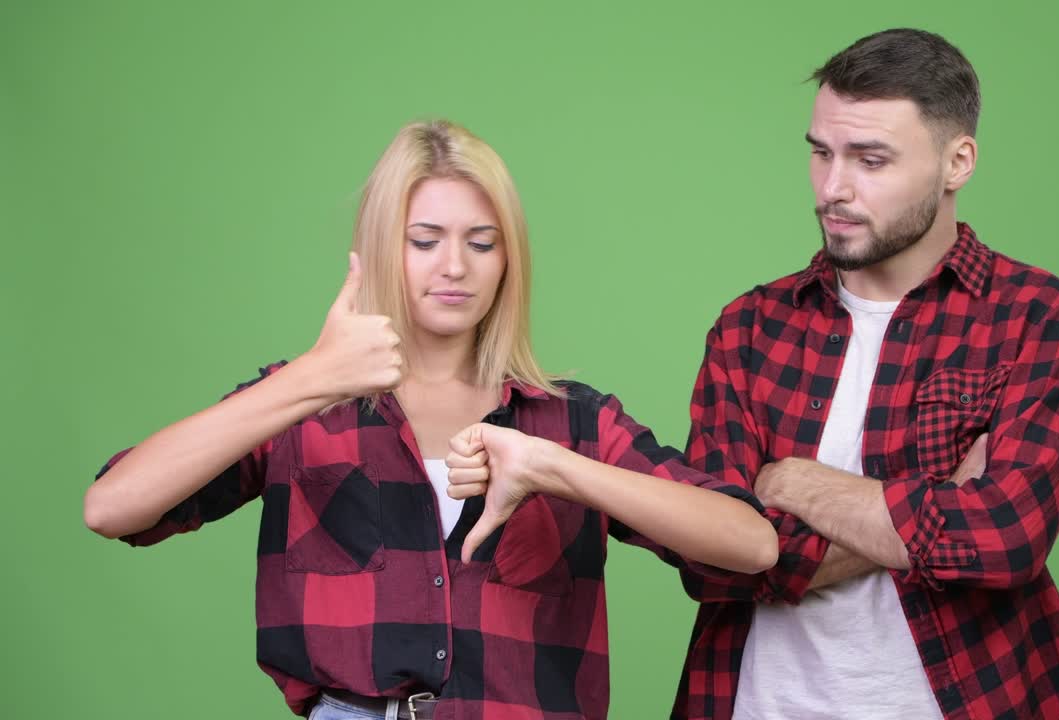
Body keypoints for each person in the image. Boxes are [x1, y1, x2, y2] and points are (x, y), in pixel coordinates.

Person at [85, 119, 777, 720]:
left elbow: (750, 545)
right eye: (425, 240)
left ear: (509, 260)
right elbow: (114, 507)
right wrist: (308, 379)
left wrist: (556, 468)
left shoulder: (570, 420)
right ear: (383, 245)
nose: (455, 267)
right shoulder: (305, 410)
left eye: (482, 242)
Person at [672, 28, 1059, 720]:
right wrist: (937, 499)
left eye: (870, 160)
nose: (833, 189)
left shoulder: (1035, 316)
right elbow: (712, 562)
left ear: (957, 161)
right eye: (821, 153)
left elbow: (1004, 539)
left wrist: (793, 484)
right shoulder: (749, 328)